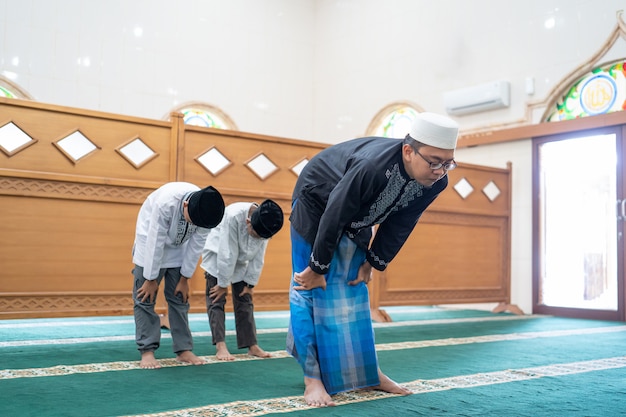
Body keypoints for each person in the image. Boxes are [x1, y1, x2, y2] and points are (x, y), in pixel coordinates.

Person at [286, 112, 459, 406]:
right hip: (317, 205)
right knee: (308, 289)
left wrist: (374, 262)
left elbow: (403, 220)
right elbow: (335, 212)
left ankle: (368, 374)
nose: (440, 170)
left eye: (448, 162)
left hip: (359, 218)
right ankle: (312, 379)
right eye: (433, 161)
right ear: (408, 150)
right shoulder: (372, 167)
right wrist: (317, 267)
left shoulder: (435, 182)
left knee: (354, 289)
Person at [132, 182, 225, 369]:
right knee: (144, 297)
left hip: (178, 249)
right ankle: (147, 350)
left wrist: (185, 279)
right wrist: (150, 279)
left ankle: (183, 350)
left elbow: (196, 245)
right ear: (185, 205)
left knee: (179, 297)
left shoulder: (207, 212)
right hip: (148, 245)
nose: (194, 225)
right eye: (192, 220)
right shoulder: (166, 203)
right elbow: (155, 241)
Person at [201, 199, 284, 360]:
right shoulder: (233, 216)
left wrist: (250, 283)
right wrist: (223, 284)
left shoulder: (266, 223)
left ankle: (251, 345)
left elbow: (259, 255)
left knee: (245, 299)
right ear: (248, 222)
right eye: (255, 234)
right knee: (216, 299)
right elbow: (227, 253)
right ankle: (220, 345)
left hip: (241, 260)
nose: (258, 238)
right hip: (218, 255)